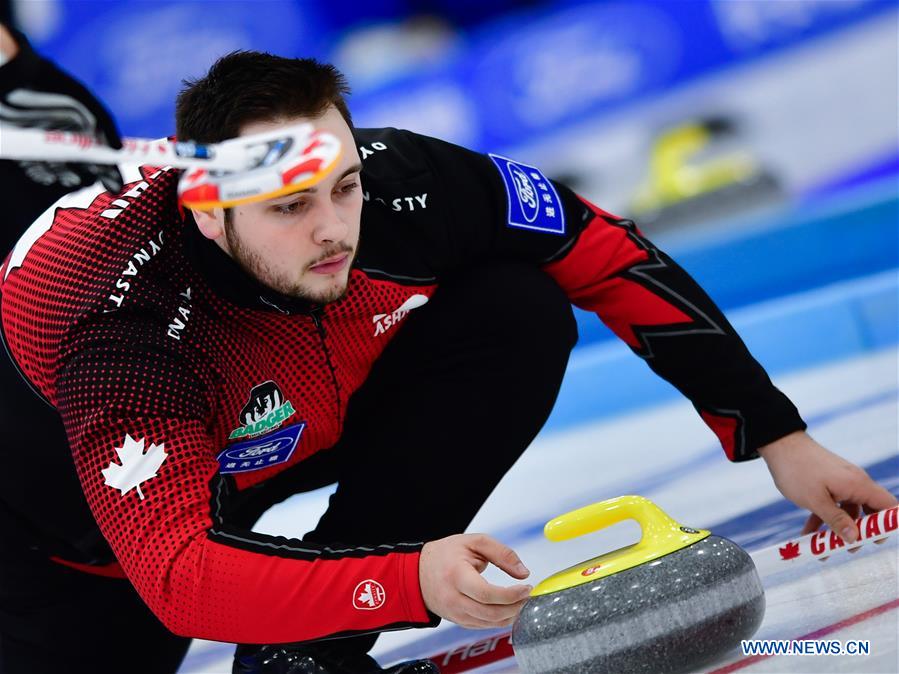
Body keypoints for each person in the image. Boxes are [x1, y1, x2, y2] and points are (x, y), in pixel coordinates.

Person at [0, 26, 895, 674]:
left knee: (516, 307)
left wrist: (778, 435)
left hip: (284, 424)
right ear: (206, 209)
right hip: (73, 548)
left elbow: (605, 252)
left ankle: (308, 654)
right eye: (289, 208)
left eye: (342, 186)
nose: (331, 231)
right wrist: (403, 580)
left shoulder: (405, 186)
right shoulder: (119, 327)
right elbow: (179, 575)